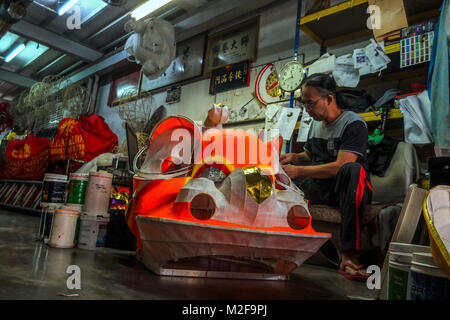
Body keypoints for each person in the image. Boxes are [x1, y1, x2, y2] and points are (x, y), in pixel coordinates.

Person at [280, 73, 373, 281]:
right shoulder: (315, 124)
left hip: (347, 187)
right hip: (321, 185)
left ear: (329, 99)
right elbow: (310, 156)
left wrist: (299, 170)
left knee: (353, 170)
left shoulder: (353, 123)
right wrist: (294, 157)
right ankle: (274, 246)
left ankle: (349, 256)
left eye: (310, 104)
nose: (307, 110)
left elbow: (342, 165)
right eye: (304, 104)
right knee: (277, 178)